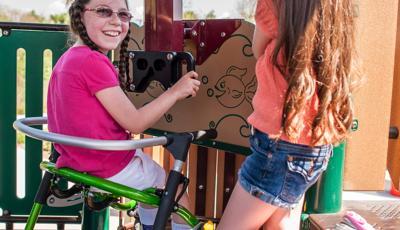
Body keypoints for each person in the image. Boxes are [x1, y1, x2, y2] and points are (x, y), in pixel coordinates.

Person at [47, 0, 200, 229]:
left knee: (152, 183)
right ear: (79, 16)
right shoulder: (93, 61)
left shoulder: (69, 58)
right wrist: (176, 91)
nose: (116, 21)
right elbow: (135, 123)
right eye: (103, 11)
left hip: (77, 162)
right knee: (174, 187)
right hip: (106, 165)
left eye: (123, 14)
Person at [218, 0, 361, 229]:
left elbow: (257, 49)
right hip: (315, 147)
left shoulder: (274, 4)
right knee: (280, 225)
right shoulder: (335, 5)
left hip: (278, 148)